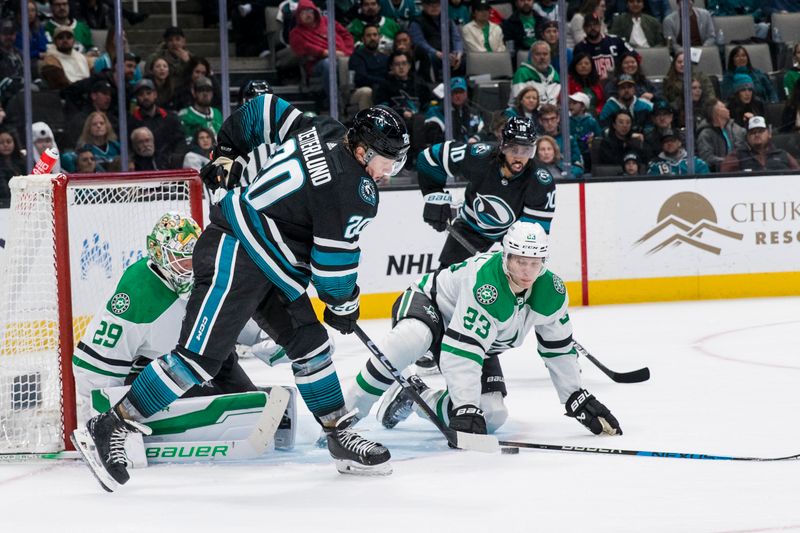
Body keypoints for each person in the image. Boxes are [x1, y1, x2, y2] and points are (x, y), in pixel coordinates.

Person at [72, 104, 411, 490]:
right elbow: (333, 271)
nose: (387, 173)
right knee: (198, 359)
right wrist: (344, 305)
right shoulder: (354, 192)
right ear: (365, 151)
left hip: (271, 262)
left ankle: (338, 433)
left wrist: (227, 150)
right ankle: (111, 425)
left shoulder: (325, 127)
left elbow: (261, 110)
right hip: (235, 250)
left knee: (311, 344)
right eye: (387, 162)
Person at [343, 221, 622, 441]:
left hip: (476, 339)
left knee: (493, 415)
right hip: (430, 306)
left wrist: (574, 395)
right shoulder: (487, 285)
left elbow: (558, 348)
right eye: (520, 262)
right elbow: (461, 351)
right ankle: (343, 417)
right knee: (410, 339)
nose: (527, 272)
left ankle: (414, 397)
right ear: (506, 257)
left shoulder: (551, 291)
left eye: (534, 264)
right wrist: (465, 406)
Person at [417, 116, 555, 269]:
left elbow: (532, 236)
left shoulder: (540, 181)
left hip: (515, 236)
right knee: (444, 282)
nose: (519, 157)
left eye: (526, 150)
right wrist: (434, 196)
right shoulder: (479, 157)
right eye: (513, 149)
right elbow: (429, 158)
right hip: (471, 226)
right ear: (503, 145)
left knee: (518, 281)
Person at [289, 0, 355, 99]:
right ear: (298, 15)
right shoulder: (296, 33)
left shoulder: (327, 21)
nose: (308, 14)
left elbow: (346, 35)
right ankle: (335, 101)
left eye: (310, 11)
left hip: (343, 55)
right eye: (303, 12)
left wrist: (347, 52)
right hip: (318, 63)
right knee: (328, 64)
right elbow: (306, 49)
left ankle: (352, 96)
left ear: (315, 12)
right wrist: (327, 53)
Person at [128, 78, 186, 170]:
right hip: (143, 168)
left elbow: (181, 141)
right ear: (137, 98)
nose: (145, 97)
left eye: (148, 93)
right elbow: (128, 146)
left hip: (169, 166)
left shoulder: (170, 118)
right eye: (141, 94)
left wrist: (176, 157)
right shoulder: (132, 122)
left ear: (155, 94)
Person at [408, 0, 464, 81]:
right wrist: (437, 53)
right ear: (423, 5)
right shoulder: (417, 22)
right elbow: (419, 42)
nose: (434, 7)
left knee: (463, 58)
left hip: (450, 55)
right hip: (432, 55)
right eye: (430, 4)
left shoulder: (448, 20)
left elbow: (457, 39)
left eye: (437, 4)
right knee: (431, 58)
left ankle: (460, 89)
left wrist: (458, 54)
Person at [720, 115, 800, 172]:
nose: (757, 135)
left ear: (769, 134)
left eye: (761, 131)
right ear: (747, 137)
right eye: (752, 132)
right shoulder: (737, 156)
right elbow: (725, 180)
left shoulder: (783, 154)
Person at [573, 13, 638, 81]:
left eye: (595, 24)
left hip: (618, 82)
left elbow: (636, 56)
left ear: (600, 25)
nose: (592, 28)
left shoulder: (616, 40)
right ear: (584, 28)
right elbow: (576, 71)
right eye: (589, 25)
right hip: (592, 84)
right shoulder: (580, 48)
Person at [424, 77, 484, 144]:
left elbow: (484, 130)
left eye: (461, 92)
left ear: (466, 94)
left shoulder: (473, 112)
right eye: (455, 92)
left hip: (470, 150)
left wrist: (475, 138)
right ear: (448, 94)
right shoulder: (436, 112)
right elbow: (432, 138)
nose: (458, 95)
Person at [696, 98, 746, 172]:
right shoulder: (705, 134)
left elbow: (742, 144)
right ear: (716, 112)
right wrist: (727, 162)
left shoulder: (733, 127)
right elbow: (706, 157)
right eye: (724, 107)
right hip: (716, 175)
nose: (727, 109)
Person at [348, 23, 390, 111]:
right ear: (363, 39)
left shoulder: (385, 57)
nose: (372, 38)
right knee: (367, 91)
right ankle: (367, 123)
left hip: (382, 88)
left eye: (375, 35)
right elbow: (361, 78)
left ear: (379, 37)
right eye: (368, 35)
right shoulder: (357, 56)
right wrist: (383, 81)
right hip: (361, 90)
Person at [538, 103, 584, 177]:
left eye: (552, 119)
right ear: (540, 121)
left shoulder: (568, 140)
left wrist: (568, 175)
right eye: (546, 120)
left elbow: (578, 166)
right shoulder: (536, 141)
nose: (549, 123)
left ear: (558, 118)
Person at [510, 40, 560, 106]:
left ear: (550, 56)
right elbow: (520, 101)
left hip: (549, 113)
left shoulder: (554, 74)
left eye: (545, 54)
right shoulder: (522, 73)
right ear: (531, 56)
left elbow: (556, 100)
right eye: (538, 54)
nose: (542, 57)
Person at [178, 75, 223, 142]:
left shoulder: (217, 113)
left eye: (208, 90)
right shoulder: (185, 115)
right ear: (194, 93)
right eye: (201, 90)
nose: (205, 93)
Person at [568, 92, 601, 169]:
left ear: (583, 107)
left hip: (587, 154)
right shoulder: (568, 121)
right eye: (570, 103)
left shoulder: (591, 121)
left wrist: (592, 139)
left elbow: (599, 137)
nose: (571, 105)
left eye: (574, 103)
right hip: (572, 153)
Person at [567, 51, 604, 115]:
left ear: (591, 66)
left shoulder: (596, 82)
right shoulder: (569, 82)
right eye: (580, 64)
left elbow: (602, 102)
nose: (583, 66)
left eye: (587, 63)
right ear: (574, 66)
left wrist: (598, 111)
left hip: (595, 117)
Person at [641, 98, 674, 162]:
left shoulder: (680, 135)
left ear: (671, 117)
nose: (662, 118)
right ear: (653, 118)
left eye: (665, 114)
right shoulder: (648, 138)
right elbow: (649, 160)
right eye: (658, 114)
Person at [0, 127, 25, 207]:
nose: (5, 145)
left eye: (9, 141)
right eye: (1, 142)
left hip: (21, 204)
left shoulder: (23, 162)